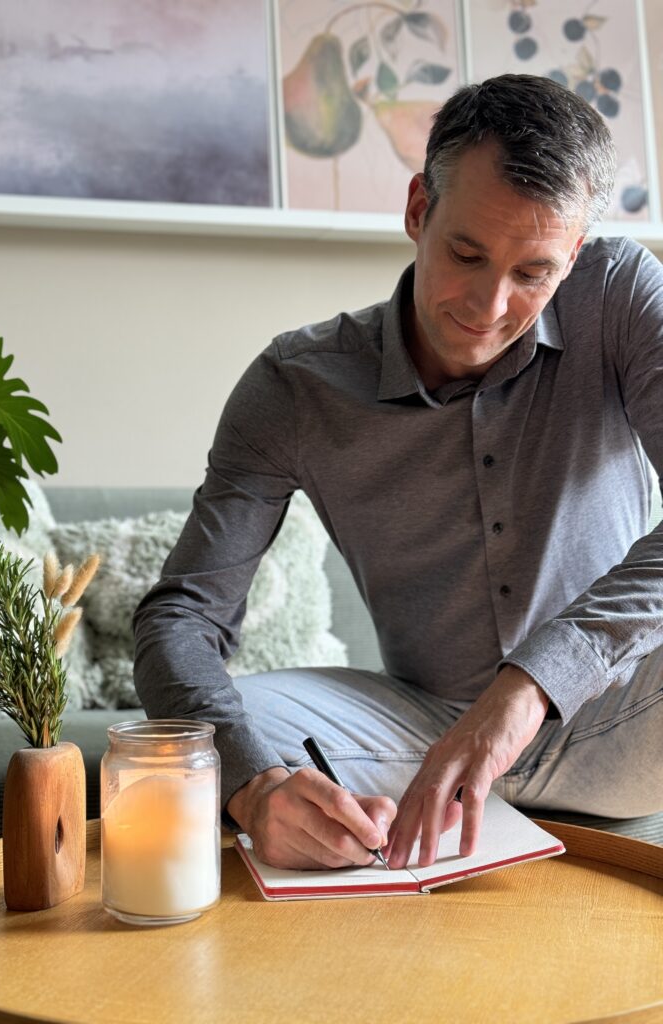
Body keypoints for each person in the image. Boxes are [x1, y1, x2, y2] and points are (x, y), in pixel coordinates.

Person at [133, 74, 663, 872]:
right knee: (189, 744)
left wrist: (526, 691)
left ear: (577, 254)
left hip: (629, 712)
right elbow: (179, 618)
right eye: (467, 253)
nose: (489, 306)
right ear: (419, 209)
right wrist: (253, 787)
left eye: (533, 274)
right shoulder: (294, 384)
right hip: (420, 731)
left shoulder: (620, 291)